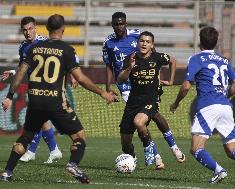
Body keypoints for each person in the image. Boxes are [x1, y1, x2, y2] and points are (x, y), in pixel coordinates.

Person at [0, 14, 117, 183]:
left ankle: (8, 172)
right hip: (55, 101)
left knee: (25, 138)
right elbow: (82, 79)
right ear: (63, 29)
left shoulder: (34, 48)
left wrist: (10, 96)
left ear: (46, 29)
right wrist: (103, 93)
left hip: (35, 101)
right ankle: (72, 164)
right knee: (80, 137)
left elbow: (20, 73)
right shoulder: (66, 49)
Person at [170, 26, 235, 183]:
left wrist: (175, 103)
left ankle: (218, 170)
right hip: (225, 106)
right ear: (216, 43)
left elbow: (186, 86)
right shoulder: (223, 60)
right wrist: (224, 95)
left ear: (199, 41)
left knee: (196, 149)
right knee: (232, 150)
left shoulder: (196, 59)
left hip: (207, 106)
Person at [102, 12, 185, 169]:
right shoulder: (109, 43)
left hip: (149, 87)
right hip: (127, 86)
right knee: (136, 127)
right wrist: (108, 87)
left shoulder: (137, 36)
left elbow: (155, 58)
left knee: (148, 117)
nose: (119, 26)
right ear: (112, 24)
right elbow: (109, 65)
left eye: (122, 23)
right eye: (116, 24)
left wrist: (157, 77)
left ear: (126, 23)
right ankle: (151, 155)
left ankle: (160, 154)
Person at [1, 16, 64, 164]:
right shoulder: (23, 46)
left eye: (30, 29)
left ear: (35, 27)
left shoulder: (45, 42)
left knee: (37, 117)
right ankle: (54, 150)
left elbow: (65, 56)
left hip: (47, 86)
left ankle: (31, 151)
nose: (27, 32)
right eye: (24, 30)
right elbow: (22, 68)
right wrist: (12, 72)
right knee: (41, 119)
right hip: (34, 87)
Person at [117, 31, 178, 169]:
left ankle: (148, 148)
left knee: (139, 122)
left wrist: (171, 80)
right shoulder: (130, 58)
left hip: (150, 100)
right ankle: (131, 161)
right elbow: (121, 79)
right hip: (133, 102)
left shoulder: (158, 57)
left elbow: (173, 61)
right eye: (142, 41)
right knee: (125, 142)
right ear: (138, 42)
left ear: (152, 45)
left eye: (148, 42)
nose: (144, 43)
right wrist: (129, 68)